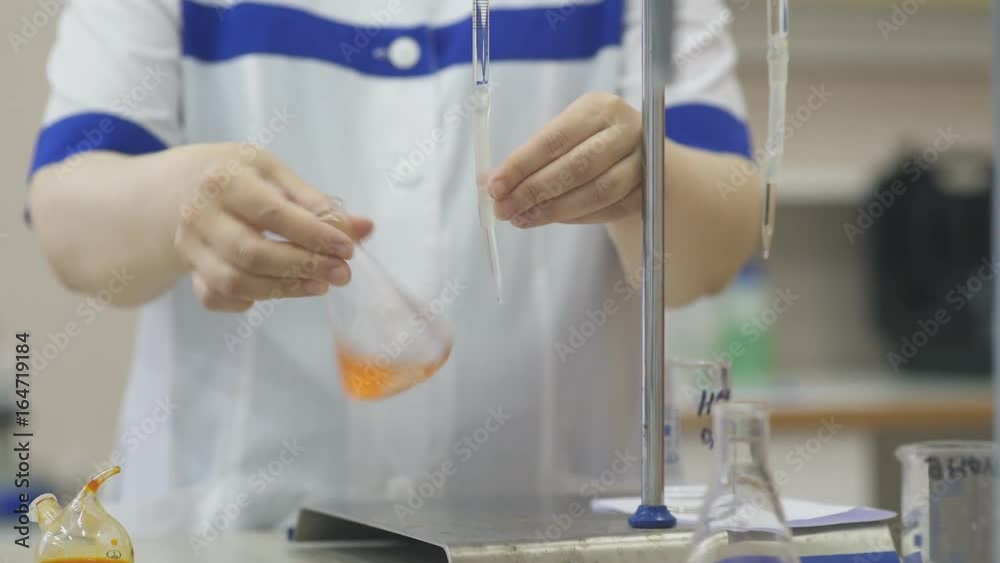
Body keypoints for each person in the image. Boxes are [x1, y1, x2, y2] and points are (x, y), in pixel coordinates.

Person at [27, 0, 760, 536]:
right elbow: (66, 218)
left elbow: (709, 255)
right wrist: (180, 201)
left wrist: (644, 179)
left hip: (555, 536)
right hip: (229, 533)